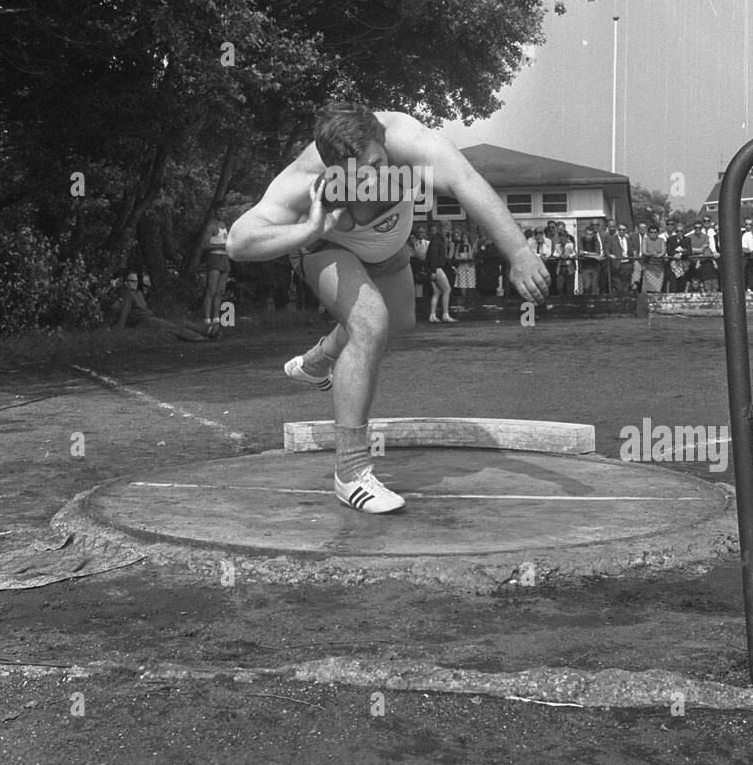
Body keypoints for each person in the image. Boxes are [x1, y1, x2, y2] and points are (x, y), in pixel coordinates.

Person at [226, 101, 550, 514]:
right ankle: (351, 472)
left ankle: (318, 360)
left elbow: (467, 180)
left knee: (399, 324)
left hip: (391, 252)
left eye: (379, 163)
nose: (375, 178)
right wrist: (310, 228)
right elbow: (239, 242)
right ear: (333, 168)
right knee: (369, 323)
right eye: (360, 174)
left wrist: (519, 251)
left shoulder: (410, 139)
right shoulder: (304, 178)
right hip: (329, 250)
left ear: (382, 138)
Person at [201, 202, 231, 338]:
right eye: (219, 211)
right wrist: (223, 245)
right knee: (211, 290)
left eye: (224, 211)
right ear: (215, 212)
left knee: (220, 291)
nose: (222, 214)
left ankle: (216, 319)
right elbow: (204, 245)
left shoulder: (225, 226)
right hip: (214, 259)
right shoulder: (212, 225)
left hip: (225, 259)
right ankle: (207, 320)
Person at [426, 222, 456, 323]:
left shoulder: (438, 240)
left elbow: (442, 256)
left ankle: (432, 315)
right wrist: (434, 271)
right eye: (447, 229)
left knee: (437, 292)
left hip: (433, 268)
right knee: (447, 289)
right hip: (436, 268)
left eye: (449, 229)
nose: (448, 231)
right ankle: (445, 315)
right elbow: (433, 256)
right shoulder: (437, 240)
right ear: (441, 229)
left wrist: (451, 266)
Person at [640, 222, 666, 293]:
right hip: (649, 267)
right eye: (651, 232)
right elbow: (644, 251)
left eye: (655, 232)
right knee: (647, 288)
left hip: (659, 268)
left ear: (658, 233)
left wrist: (658, 255)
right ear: (648, 233)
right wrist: (650, 254)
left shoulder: (662, 240)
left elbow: (663, 251)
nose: (653, 233)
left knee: (657, 289)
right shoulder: (645, 240)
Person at [577, 223, 603, 295]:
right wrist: (594, 255)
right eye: (588, 234)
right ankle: (586, 303)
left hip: (595, 267)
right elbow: (580, 253)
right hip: (585, 266)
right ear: (585, 233)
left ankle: (594, 304)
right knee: (586, 287)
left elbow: (597, 253)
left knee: (594, 288)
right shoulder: (581, 240)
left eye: (591, 234)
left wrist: (586, 253)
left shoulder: (596, 240)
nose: (589, 236)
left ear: (593, 234)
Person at [454, 230, 476, 297]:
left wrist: (469, 246)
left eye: (466, 237)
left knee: (470, 286)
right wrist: (463, 259)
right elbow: (456, 257)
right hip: (461, 267)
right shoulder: (459, 245)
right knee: (462, 286)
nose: (464, 239)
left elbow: (470, 257)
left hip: (469, 268)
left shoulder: (471, 245)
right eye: (463, 237)